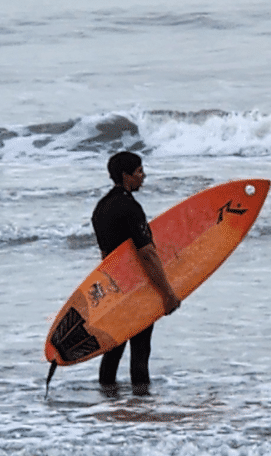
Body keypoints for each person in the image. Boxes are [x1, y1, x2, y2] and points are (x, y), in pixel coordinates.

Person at [91, 151, 181, 393]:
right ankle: (141, 409)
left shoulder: (101, 208)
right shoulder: (130, 207)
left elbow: (106, 257)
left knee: (113, 351)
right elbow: (147, 254)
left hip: (115, 288)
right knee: (140, 351)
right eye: (139, 172)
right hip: (136, 288)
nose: (144, 176)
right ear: (126, 176)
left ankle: (108, 402)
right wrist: (167, 294)